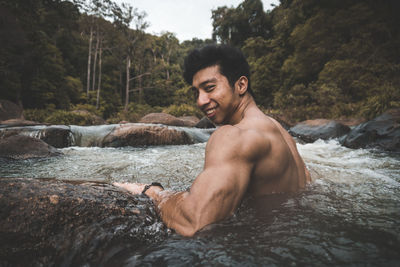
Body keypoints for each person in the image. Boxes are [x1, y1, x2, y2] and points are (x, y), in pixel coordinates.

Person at [114, 45, 311, 237]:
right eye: (196, 93)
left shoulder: (234, 136)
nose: (200, 101)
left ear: (241, 85)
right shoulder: (279, 130)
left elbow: (196, 221)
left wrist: (153, 192)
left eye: (209, 88)